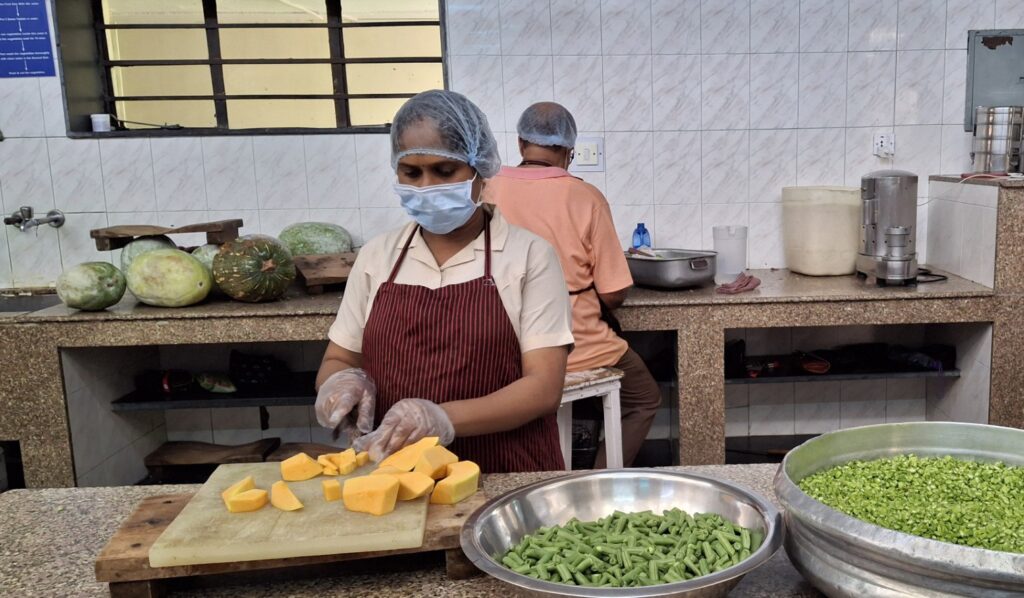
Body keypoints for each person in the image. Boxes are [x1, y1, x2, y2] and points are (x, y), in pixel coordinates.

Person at [314, 90, 575, 473]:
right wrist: (341, 384)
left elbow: (543, 387)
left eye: (444, 171)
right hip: (397, 473)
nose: (426, 187)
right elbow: (339, 357)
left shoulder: (528, 256)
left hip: (504, 471)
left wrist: (439, 418)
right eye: (412, 172)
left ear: (478, 168)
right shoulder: (378, 256)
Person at [483, 102, 661, 468]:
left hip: (500, 343)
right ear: (569, 152)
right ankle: (599, 481)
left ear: (520, 144)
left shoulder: (486, 190)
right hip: (574, 343)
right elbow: (613, 292)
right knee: (643, 397)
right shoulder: (585, 197)